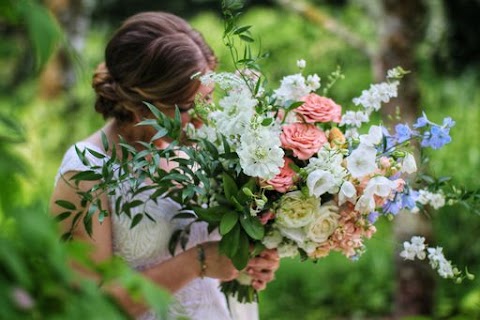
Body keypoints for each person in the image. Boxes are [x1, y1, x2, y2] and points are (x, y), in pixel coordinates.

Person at [50, 11, 280, 320]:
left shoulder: (202, 146)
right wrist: (197, 262)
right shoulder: (86, 172)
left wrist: (249, 264)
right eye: (188, 107)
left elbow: (220, 252)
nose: (205, 115)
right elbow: (88, 306)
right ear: (139, 102)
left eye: (209, 97)